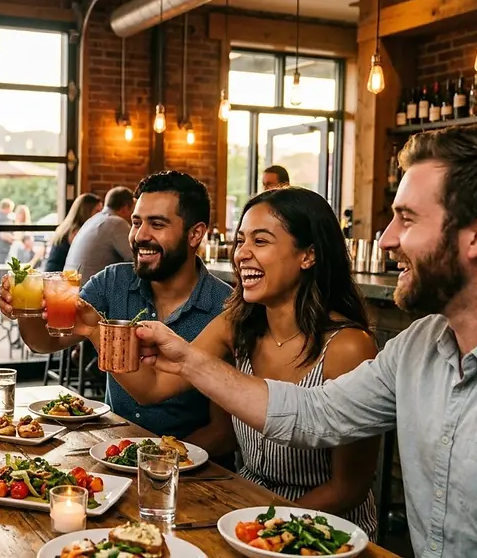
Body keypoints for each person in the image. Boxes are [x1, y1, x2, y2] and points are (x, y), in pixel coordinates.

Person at [135, 124, 477, 556]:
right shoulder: (418, 346)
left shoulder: (352, 343)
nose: (386, 239)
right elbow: (313, 413)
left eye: (408, 218)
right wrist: (189, 360)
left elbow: (346, 483)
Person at [110, 187, 380, 535]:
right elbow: (153, 389)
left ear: (308, 255)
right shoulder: (236, 325)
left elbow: (348, 488)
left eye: (261, 241)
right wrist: (92, 331)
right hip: (245, 506)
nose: (242, 254)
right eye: (241, 241)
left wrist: (262, 528)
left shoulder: (348, 347)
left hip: (324, 532)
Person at [0, 171, 232, 438]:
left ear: (195, 234)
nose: (139, 235)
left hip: (191, 465)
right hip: (111, 452)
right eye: (135, 222)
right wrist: (27, 308)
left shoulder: (223, 308)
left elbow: (222, 433)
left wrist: (160, 463)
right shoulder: (113, 281)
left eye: (157, 224)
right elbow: (44, 343)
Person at [64, 186, 135, 285]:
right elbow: (135, 259)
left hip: (71, 288)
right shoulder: (116, 223)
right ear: (125, 207)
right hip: (89, 293)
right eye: (133, 209)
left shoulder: (93, 219)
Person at [45, 192, 102, 272]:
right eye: (97, 211)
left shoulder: (67, 228)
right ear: (86, 211)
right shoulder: (76, 232)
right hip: (57, 277)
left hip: (52, 275)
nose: (101, 215)